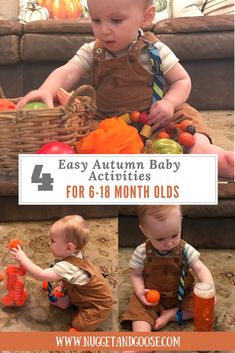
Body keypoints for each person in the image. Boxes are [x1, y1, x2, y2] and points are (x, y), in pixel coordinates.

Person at [16, 0, 234, 178]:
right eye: (96, 20)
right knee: (81, 135)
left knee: (187, 119)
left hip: (155, 117)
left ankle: (206, 154)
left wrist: (168, 103)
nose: (104, 30)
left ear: (146, 16)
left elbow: (182, 80)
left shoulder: (155, 50)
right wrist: (47, 89)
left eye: (116, 20)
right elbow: (68, 71)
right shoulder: (92, 50)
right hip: (109, 120)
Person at [120, 205, 215, 344]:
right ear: (145, 231)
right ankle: (141, 343)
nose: (169, 243)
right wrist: (140, 292)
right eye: (160, 239)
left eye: (175, 235)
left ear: (181, 221)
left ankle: (172, 315)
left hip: (182, 294)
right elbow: (135, 274)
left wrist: (208, 287)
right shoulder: (141, 252)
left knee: (208, 305)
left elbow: (200, 269)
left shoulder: (185, 249)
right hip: (151, 297)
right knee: (139, 313)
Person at [10, 215, 113, 332]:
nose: (49, 243)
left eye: (53, 241)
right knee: (64, 281)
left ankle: (73, 305)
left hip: (97, 305)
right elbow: (69, 277)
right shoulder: (74, 255)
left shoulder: (67, 267)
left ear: (69, 248)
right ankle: (68, 299)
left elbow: (40, 275)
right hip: (84, 292)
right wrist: (61, 285)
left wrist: (23, 259)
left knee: (79, 324)